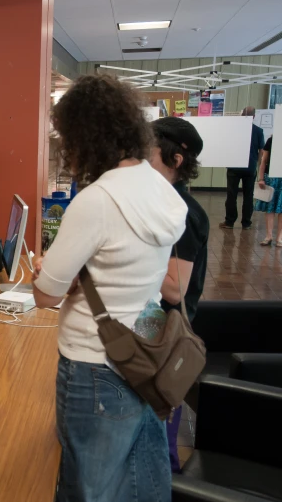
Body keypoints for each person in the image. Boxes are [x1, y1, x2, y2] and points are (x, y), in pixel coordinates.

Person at [31, 74, 187, 502]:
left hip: (94, 361)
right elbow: (130, 260)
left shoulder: (97, 200)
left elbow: (45, 295)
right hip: (145, 346)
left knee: (88, 484)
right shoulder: (162, 188)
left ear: (85, 135)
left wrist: (50, 270)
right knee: (138, 473)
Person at [149, 116, 209, 473]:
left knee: (159, 438)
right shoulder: (159, 203)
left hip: (165, 333)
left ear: (176, 161)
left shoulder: (183, 214)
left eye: (150, 156)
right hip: (151, 326)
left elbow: (174, 288)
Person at [221, 106, 264, 230]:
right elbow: (261, 151)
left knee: (231, 195)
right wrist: (257, 162)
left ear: (241, 115)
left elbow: (227, 146)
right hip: (250, 167)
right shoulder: (259, 131)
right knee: (248, 196)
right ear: (254, 116)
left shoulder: (234, 130)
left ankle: (229, 222)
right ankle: (246, 223)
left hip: (234, 166)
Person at [255, 136, 282, 245]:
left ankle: (279, 237)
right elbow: (264, 160)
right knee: (270, 208)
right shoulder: (272, 140)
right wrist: (261, 178)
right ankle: (268, 236)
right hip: (271, 177)